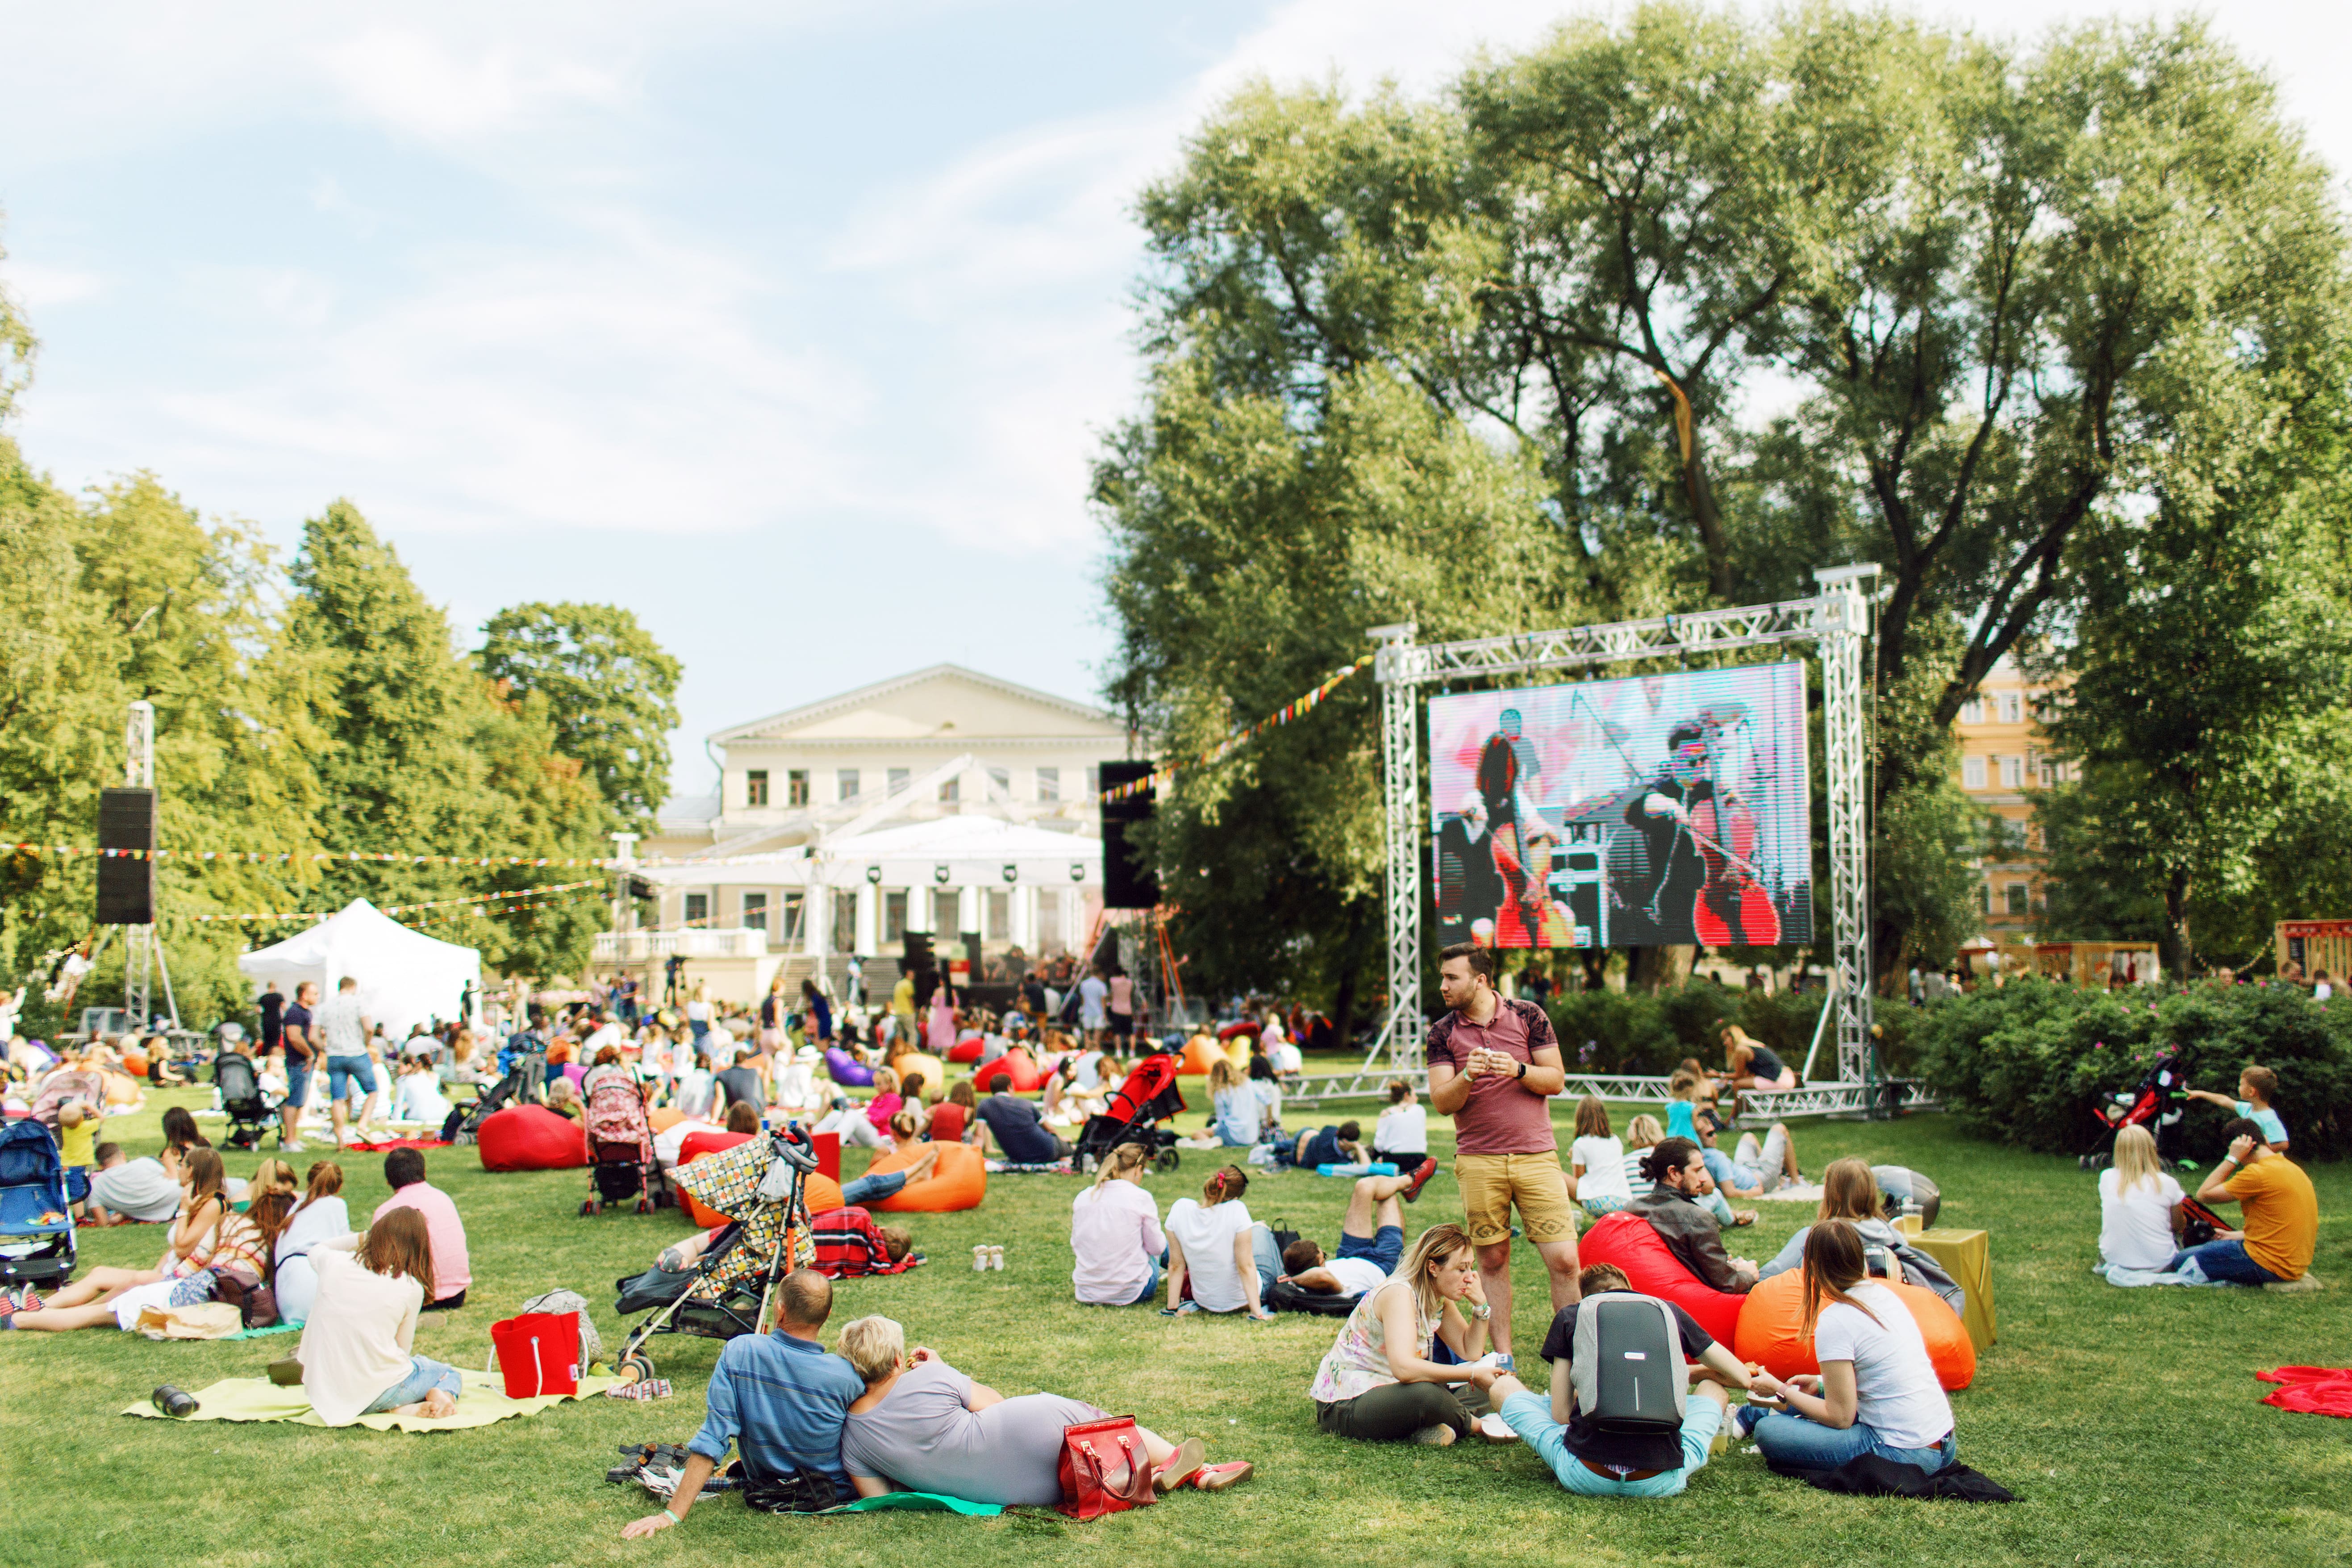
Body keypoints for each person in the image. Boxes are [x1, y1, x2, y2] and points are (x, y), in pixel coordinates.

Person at [838, 1315, 1246, 1502]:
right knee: (1097, 1423)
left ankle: (1147, 1476)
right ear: (896, 1361)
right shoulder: (927, 1377)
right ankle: (1193, 1470)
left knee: (1076, 1466)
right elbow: (995, 1404)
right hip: (1018, 1429)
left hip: (1020, 1492)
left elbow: (880, 1498)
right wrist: (944, 1369)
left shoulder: (852, 1436)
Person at [621, 1271, 865, 1533]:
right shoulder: (848, 1376)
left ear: (780, 1310)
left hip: (770, 1490)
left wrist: (672, 1514)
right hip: (834, 1493)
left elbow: (714, 1436)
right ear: (827, 1316)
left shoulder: (741, 1352)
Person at [1424, 942, 1579, 1353]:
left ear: (1480, 980)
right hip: (1478, 1161)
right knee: (1492, 1262)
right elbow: (1442, 1102)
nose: (1443, 985)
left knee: (1565, 1261)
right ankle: (1503, 1359)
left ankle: (1577, 1357)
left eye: (1452, 977)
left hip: (1537, 1157)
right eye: (1443, 977)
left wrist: (1519, 1069)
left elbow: (1556, 1080)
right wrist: (1467, 1077)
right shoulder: (1442, 1033)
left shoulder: (1529, 1015)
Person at [1490, 1262, 1763, 1495]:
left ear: (1585, 1298)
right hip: (1659, 1480)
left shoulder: (1572, 1316)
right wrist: (1688, 1373)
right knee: (1714, 1390)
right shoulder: (1669, 1311)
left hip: (1586, 1475)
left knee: (1503, 1386)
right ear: (1630, 1289)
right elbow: (1741, 1377)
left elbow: (1560, 1415)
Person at [1735, 1220, 1958, 1474]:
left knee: (1770, 1433)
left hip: (1902, 1452)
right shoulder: (1884, 1295)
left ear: (1812, 1266)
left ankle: (1760, 1418)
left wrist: (1779, 1388)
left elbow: (1840, 1417)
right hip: (1943, 1445)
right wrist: (1820, 1384)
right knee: (1810, 1393)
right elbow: (1881, 1375)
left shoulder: (1837, 1320)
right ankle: (1756, 1414)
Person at [4, 1149, 266, 1330]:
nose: (177, 1170)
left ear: (194, 1170)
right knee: (99, 1273)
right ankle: (41, 1307)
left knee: (129, 1285)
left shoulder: (213, 1204)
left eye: (182, 1165)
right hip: (170, 1271)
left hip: (183, 1278)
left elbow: (185, 1247)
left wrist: (184, 1209)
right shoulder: (199, 1200)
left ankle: (47, 1313)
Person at [1306, 1222, 1508, 1444]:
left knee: (1493, 1370)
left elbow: (1470, 1352)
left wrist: (1481, 1307)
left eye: (1471, 1268)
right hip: (1348, 1402)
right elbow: (1403, 1369)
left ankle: (1429, 1425)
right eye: (1461, 1269)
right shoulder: (1399, 1294)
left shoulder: (1437, 1297)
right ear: (1433, 1268)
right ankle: (1482, 1427)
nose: (1470, 1277)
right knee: (1426, 1396)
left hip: (1399, 1393)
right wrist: (1471, 1376)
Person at [298, 1207, 460, 1423]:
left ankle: (396, 1410)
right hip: (381, 1389)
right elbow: (403, 1350)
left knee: (399, 1367)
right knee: (447, 1374)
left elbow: (317, 1248)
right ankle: (441, 1398)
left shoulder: (335, 1263)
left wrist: (363, 1237)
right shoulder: (410, 1287)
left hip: (327, 1391)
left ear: (377, 1234)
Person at [2171, 1118, 2318, 1285]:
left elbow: (2204, 1195)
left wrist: (2232, 1158)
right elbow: (2283, 1225)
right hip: (2292, 1264)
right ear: (2265, 1139)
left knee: (2182, 1260)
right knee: (2203, 1251)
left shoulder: (2259, 1173)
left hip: (2266, 1263)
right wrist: (2234, 1235)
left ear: (2239, 1147)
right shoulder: (2291, 1168)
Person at [1626, 1138, 1758, 1293]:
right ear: (1674, 1173)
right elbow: (1728, 1284)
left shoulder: (1632, 1209)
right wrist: (1748, 1273)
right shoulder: (1698, 1218)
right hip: (1702, 1300)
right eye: (1697, 1171)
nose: (1704, 1179)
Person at [1279, 1169, 1425, 1298]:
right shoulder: (1330, 1287)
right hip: (1383, 1264)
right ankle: (1411, 1181)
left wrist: (1293, 1277)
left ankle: (1409, 1182)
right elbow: (1322, 1275)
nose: (1325, 1255)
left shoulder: (1306, 1276)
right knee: (1388, 1195)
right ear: (1319, 1264)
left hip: (1350, 1253)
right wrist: (1294, 1279)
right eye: (1324, 1255)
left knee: (1364, 1187)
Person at [1163, 1166, 1275, 1320]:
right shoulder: (1237, 1210)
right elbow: (1245, 1266)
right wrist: (1258, 1314)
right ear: (1234, 1198)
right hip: (1243, 1300)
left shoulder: (1180, 1209)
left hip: (1205, 1300)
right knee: (1262, 1232)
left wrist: (1172, 1308)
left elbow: (1176, 1265)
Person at [1071, 1142, 1167, 1306]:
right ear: (1138, 1170)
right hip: (1133, 1292)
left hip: (1087, 1290)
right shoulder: (1140, 1197)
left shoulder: (1084, 1196)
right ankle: (1191, 1272)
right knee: (1164, 1242)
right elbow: (1157, 1248)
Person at [373, 1147, 471, 1310]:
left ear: (388, 1180)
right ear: (424, 1173)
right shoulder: (443, 1198)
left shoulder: (386, 1211)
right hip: (457, 1294)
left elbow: (380, 1262)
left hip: (414, 1297)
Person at [2095, 1126, 2187, 1273]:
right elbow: (2178, 1224)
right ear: (2151, 1149)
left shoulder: (2107, 1177)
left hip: (2114, 1260)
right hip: (2160, 1263)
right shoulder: (2166, 1183)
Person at [275, 1161, 351, 1325]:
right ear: (339, 1187)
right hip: (316, 1291)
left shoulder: (297, 1207)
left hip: (287, 1294)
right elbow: (345, 1250)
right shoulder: (337, 1205)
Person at [312, 976, 373, 1151]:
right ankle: (362, 1125)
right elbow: (369, 1028)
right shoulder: (359, 1003)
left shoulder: (324, 1007)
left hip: (335, 1055)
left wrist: (324, 1049)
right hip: (357, 1052)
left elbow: (313, 1036)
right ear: (354, 987)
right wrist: (366, 1043)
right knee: (372, 1091)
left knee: (337, 1099)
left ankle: (340, 1141)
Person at [2185, 1064, 2289, 1153]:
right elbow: (2224, 1100)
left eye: (2241, 1085)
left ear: (2251, 1092)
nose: (2239, 1087)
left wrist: (2261, 1151)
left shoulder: (2269, 1118)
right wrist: (2201, 1094)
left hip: (2269, 1167)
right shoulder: (2247, 1109)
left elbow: (2284, 1144)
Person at [974, 1072, 1070, 1163]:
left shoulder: (985, 1105)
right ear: (1009, 1087)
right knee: (1069, 1147)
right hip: (1047, 1149)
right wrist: (1061, 1139)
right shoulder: (1026, 1104)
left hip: (1019, 1156)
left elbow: (979, 1135)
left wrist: (973, 1156)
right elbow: (1049, 1128)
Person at [86, 1142, 181, 1225]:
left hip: (161, 1213)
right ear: (123, 1155)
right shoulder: (145, 1163)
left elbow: (103, 1222)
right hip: (181, 1199)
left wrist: (124, 1214)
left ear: (100, 1165)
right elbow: (174, 1179)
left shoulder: (96, 1186)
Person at [1567, 1097, 1631, 1216]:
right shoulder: (1615, 1140)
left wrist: (1574, 1159)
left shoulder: (1580, 1143)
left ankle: (1564, 1216)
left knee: (1556, 1175)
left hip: (1597, 1202)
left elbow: (1579, 1180)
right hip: (1623, 1202)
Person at [278, 980, 318, 1152]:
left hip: (303, 1063)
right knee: (294, 1101)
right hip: (299, 1063)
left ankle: (293, 1138)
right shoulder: (295, 1012)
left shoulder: (304, 1012)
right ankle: (289, 1141)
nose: (317, 997)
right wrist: (309, 1054)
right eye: (315, 993)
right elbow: (294, 1037)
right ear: (304, 994)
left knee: (299, 1101)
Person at [1719, 1024, 1796, 1091]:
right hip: (1788, 1078)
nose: (1724, 1043)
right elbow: (1746, 1075)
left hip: (1779, 1080)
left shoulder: (1741, 1050)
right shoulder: (1753, 1045)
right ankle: (1741, 1108)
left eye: (1725, 1039)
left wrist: (1719, 1075)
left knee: (1737, 1085)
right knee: (1738, 1083)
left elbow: (1739, 1075)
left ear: (1732, 1037)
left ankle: (1741, 1108)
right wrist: (1727, 1078)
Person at [1372, 1079, 1427, 1159]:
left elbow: (1379, 1145)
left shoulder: (1387, 1113)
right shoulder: (1420, 1110)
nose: (1417, 1098)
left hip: (1395, 1158)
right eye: (1414, 1095)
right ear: (1406, 1095)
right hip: (1419, 1158)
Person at [715, 1047, 766, 1121]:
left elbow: (720, 1098)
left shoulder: (723, 1074)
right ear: (746, 1060)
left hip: (736, 1113)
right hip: (756, 1112)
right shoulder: (755, 1072)